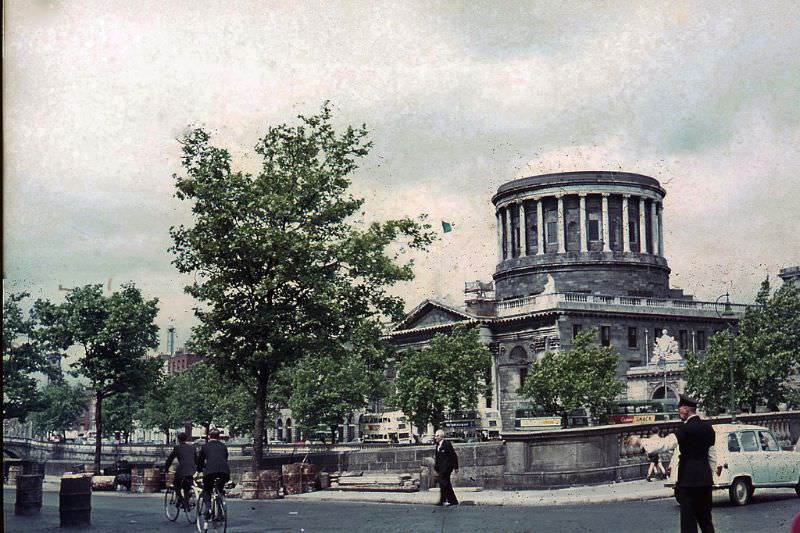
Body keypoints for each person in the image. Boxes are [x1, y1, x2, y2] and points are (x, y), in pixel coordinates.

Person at [629, 395, 716, 533]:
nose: (678, 411)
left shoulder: (685, 429)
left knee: (688, 524)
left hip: (687, 482)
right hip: (705, 482)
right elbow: (712, 457)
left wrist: (641, 442)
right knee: (706, 522)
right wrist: (710, 478)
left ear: (686, 409)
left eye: (680, 408)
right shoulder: (708, 429)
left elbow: (665, 444)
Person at [197, 428, 230, 518]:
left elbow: (200, 460)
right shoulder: (223, 446)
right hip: (224, 472)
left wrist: (199, 469)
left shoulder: (205, 446)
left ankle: (207, 509)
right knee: (220, 488)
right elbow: (225, 458)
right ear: (219, 437)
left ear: (209, 436)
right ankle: (220, 510)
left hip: (210, 472)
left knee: (207, 490)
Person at [165, 432, 196, 507]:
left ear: (178, 439)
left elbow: (170, 459)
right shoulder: (192, 447)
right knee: (187, 486)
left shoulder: (177, 447)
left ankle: (181, 499)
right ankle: (187, 501)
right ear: (186, 439)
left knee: (176, 484)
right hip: (191, 470)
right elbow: (196, 459)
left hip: (182, 469)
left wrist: (166, 469)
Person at [433, 429, 459, 507]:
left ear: (442, 436)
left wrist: (455, 467)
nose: (436, 437)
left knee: (444, 483)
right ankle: (450, 500)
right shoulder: (438, 445)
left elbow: (453, 456)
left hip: (447, 468)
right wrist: (436, 468)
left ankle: (446, 500)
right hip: (441, 468)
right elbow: (438, 458)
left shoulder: (447, 444)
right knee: (444, 484)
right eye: (435, 436)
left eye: (437, 436)